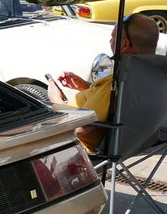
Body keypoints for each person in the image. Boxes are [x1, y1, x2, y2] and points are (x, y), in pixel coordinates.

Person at [48, 13, 159, 152]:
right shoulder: (154, 77)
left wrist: (56, 99)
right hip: (141, 143)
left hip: (77, 147)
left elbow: (79, 129)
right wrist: (86, 86)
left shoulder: (113, 84)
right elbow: (120, 100)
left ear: (125, 44)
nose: (110, 41)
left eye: (113, 37)